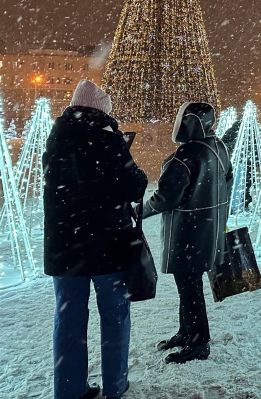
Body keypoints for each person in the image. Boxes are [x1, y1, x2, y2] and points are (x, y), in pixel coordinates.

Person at [44, 80, 147, 399]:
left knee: (69, 318)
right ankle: (115, 385)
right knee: (114, 316)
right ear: (102, 108)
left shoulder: (56, 136)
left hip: (65, 248)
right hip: (109, 247)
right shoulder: (109, 138)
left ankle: (69, 389)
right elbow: (137, 187)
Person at [142, 102, 233, 364]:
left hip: (188, 233)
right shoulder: (219, 147)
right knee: (190, 286)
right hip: (208, 229)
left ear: (191, 122)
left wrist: (140, 211)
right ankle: (187, 332)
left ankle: (198, 342)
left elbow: (165, 198)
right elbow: (229, 180)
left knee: (189, 287)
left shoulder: (186, 156)